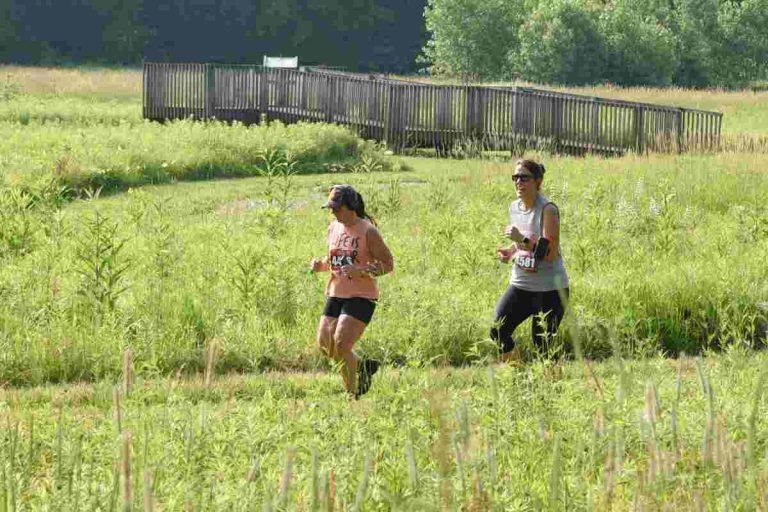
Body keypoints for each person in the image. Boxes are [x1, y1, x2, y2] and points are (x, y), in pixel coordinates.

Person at [309, 184, 394, 399]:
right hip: (336, 291)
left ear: (350, 207)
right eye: (331, 208)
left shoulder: (368, 231)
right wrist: (321, 265)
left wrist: (361, 270)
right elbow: (335, 259)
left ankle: (352, 395)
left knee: (341, 344)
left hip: (362, 295)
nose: (332, 212)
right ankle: (363, 368)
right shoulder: (333, 228)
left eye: (336, 208)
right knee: (326, 346)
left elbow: (388, 264)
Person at [492, 159, 570, 361]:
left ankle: (553, 387)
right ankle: (516, 375)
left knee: (543, 347)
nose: (519, 182)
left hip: (550, 290)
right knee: (498, 331)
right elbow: (522, 243)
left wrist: (521, 239)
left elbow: (550, 253)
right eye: (515, 177)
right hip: (521, 286)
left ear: (538, 181)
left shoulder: (548, 210)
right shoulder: (514, 207)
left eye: (524, 177)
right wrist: (511, 252)